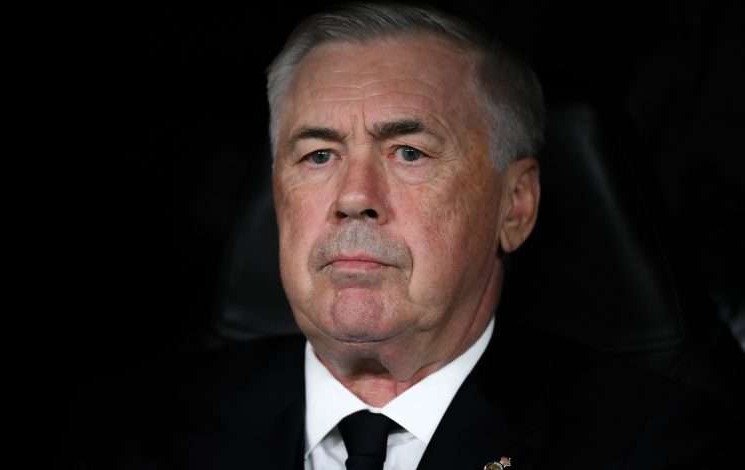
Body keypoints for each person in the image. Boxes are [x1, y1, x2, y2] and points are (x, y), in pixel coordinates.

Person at [72, 3, 739, 469]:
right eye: (318, 156)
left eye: (409, 153)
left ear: (516, 205)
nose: (355, 199)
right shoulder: (129, 433)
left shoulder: (664, 446)